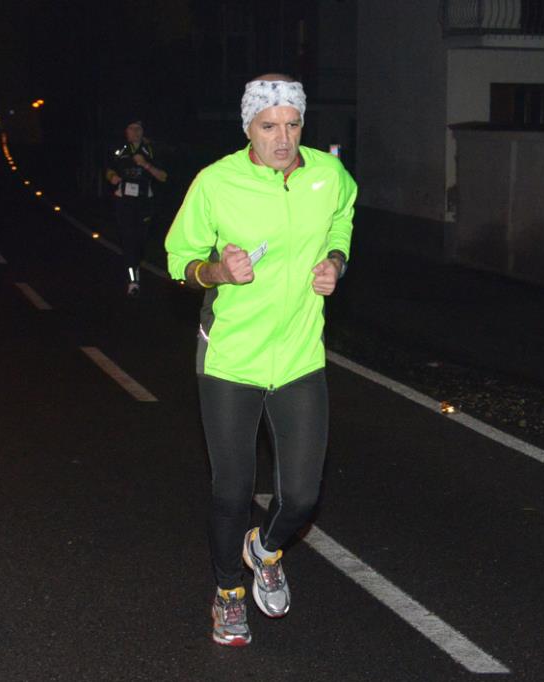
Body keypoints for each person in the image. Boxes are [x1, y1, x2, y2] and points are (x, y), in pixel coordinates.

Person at [164, 73, 357, 647]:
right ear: (248, 127)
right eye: (269, 126)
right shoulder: (216, 182)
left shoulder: (327, 174)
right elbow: (178, 259)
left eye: (292, 124)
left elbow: (343, 216)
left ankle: (265, 549)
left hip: (299, 355)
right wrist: (217, 271)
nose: (283, 138)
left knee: (302, 496)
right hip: (231, 357)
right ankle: (228, 594)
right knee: (231, 490)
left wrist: (336, 261)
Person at [105, 118, 168, 296]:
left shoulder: (151, 151)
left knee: (140, 242)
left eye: (138, 129)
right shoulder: (120, 150)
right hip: (124, 202)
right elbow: (108, 169)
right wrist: (112, 177)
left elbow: (163, 176)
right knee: (128, 241)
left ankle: (135, 265)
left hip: (144, 202)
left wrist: (145, 164)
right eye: (131, 129)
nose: (135, 132)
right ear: (126, 132)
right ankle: (133, 281)